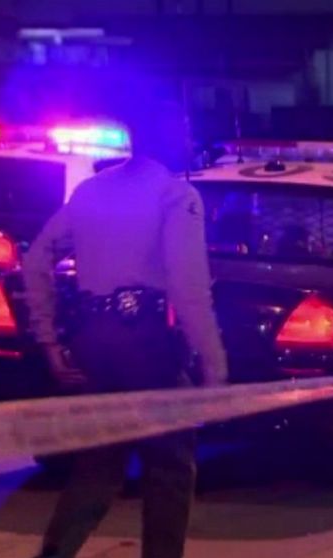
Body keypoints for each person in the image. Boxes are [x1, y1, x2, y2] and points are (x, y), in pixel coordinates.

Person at [22, 98, 229, 558]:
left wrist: (50, 342)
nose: (193, 139)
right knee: (170, 468)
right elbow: (188, 286)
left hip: (94, 343)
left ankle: (53, 555)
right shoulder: (176, 196)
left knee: (97, 465)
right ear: (172, 136)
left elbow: (36, 261)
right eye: (187, 129)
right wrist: (214, 363)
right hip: (149, 347)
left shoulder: (92, 191)